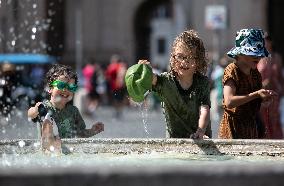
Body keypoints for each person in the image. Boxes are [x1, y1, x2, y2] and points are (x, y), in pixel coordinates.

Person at [126, 29, 211, 139]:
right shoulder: (166, 81)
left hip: (200, 138)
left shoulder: (202, 83)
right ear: (173, 58)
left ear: (198, 61)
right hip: (174, 140)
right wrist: (145, 70)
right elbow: (152, 78)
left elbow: (204, 109)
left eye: (190, 57)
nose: (184, 62)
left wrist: (200, 130)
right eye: (180, 56)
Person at [28, 64, 104, 152]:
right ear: (50, 88)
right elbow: (30, 114)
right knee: (47, 118)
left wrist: (92, 131)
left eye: (71, 87)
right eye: (61, 85)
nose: (66, 90)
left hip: (68, 152)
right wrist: (35, 110)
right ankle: (51, 146)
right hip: (48, 153)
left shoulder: (73, 111)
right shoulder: (44, 107)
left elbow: (80, 133)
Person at [218, 28, 277, 139]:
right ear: (240, 54)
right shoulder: (232, 71)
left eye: (259, 54)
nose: (258, 57)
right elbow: (229, 101)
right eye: (253, 53)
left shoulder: (255, 74)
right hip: (232, 129)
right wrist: (256, 95)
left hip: (250, 128)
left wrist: (264, 99)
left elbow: (253, 101)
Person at [257, 33, 284, 139]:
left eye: (267, 39)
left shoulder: (277, 57)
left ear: (271, 41)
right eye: (263, 40)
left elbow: (281, 78)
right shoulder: (258, 58)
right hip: (261, 95)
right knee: (263, 120)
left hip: (275, 94)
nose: (265, 42)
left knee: (275, 120)